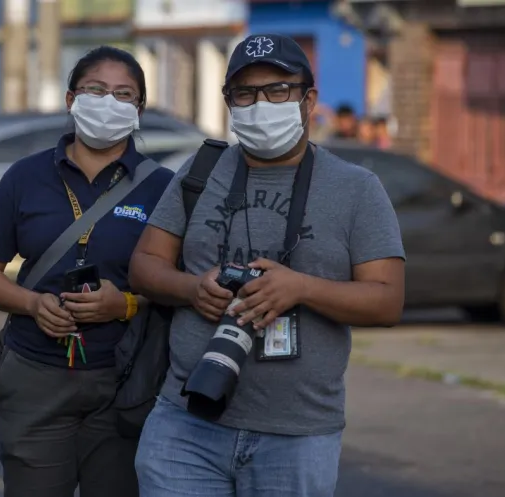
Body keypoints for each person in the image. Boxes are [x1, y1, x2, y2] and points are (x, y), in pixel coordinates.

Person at [129, 34, 405, 497]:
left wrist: (301, 289)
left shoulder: (357, 188)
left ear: (308, 98)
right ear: (229, 102)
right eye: (246, 93)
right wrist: (192, 288)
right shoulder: (199, 173)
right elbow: (144, 265)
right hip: (185, 423)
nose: (261, 104)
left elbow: (387, 300)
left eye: (278, 90)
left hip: (297, 435)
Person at [0, 46, 174, 497]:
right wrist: (31, 303)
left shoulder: (163, 188)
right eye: (96, 90)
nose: (108, 103)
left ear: (138, 110)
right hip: (35, 373)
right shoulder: (26, 176)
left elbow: (181, 285)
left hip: (127, 378)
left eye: (123, 95)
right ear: (70, 99)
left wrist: (126, 303)